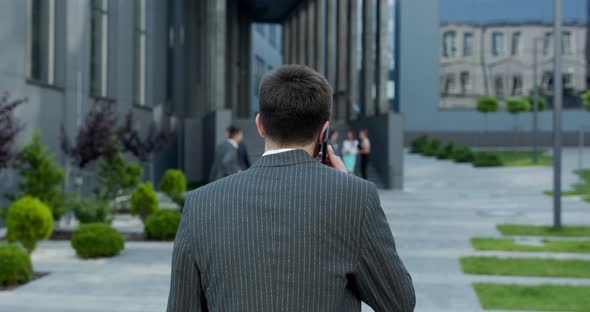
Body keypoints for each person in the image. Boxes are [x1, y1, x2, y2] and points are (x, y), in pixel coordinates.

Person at [167, 65, 415, 312]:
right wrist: (346, 184)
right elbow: (398, 303)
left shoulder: (200, 204)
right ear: (324, 133)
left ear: (260, 125)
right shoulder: (357, 199)